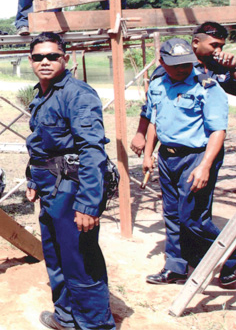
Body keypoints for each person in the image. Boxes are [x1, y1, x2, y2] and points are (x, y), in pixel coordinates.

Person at [25, 32, 115, 330]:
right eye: (39, 57)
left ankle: (95, 325)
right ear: (31, 61)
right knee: (55, 255)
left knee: (80, 259)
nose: (46, 62)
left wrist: (88, 204)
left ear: (66, 59)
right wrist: (33, 179)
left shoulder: (78, 94)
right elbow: (42, 143)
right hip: (50, 186)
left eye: (53, 56)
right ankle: (66, 317)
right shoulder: (42, 93)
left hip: (72, 187)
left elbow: (92, 150)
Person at [141, 38, 236, 288]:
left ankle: (232, 260)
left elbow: (217, 131)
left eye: (186, 64)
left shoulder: (207, 87)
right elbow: (154, 121)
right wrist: (148, 154)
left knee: (193, 218)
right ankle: (176, 267)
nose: (183, 69)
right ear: (162, 62)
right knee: (172, 216)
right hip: (167, 157)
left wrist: (204, 166)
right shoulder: (158, 85)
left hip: (196, 157)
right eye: (176, 64)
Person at [130, 22, 236, 156]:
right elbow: (153, 108)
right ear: (196, 42)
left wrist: (233, 69)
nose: (219, 51)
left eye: (221, 46)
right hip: (182, 147)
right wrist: (140, 134)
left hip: (208, 147)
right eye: (214, 45)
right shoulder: (168, 71)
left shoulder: (219, 67)